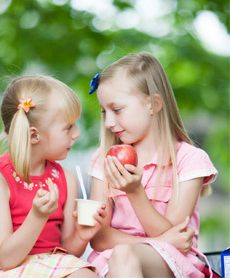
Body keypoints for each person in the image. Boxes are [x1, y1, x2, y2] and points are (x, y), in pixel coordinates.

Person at [86, 52, 218, 278]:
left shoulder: (189, 160)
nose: (108, 123)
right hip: (110, 261)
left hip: (171, 262)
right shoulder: (104, 158)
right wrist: (157, 240)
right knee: (118, 257)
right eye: (103, 112)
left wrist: (135, 192)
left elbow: (175, 240)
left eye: (117, 110)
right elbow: (98, 237)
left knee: (123, 255)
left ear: (154, 104)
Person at [0, 75, 107, 278]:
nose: (77, 133)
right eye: (68, 126)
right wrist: (37, 216)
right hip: (0, 269)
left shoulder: (66, 179)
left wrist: (81, 236)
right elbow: (6, 259)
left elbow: (66, 253)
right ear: (35, 135)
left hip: (50, 263)